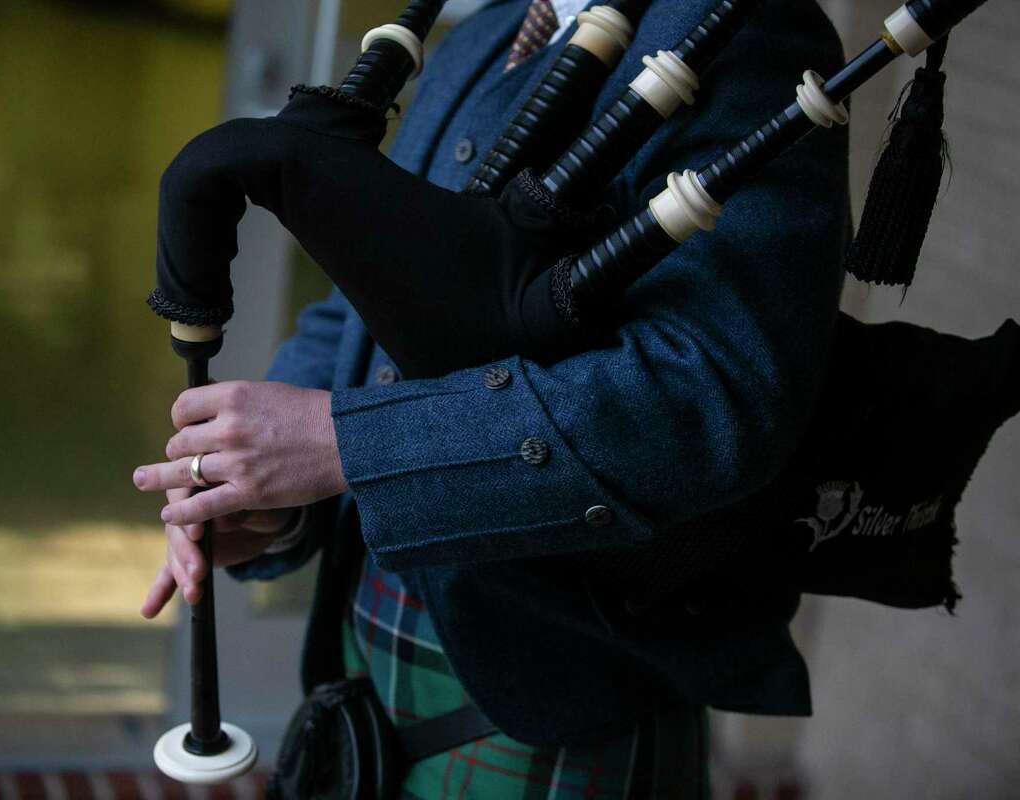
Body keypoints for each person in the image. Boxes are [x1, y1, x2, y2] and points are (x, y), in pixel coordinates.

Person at [132, 0, 851, 795]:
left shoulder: (738, 27)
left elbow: (714, 391)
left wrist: (344, 444)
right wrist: (266, 495)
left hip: (558, 702)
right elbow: (360, 305)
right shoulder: (482, 36)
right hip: (365, 666)